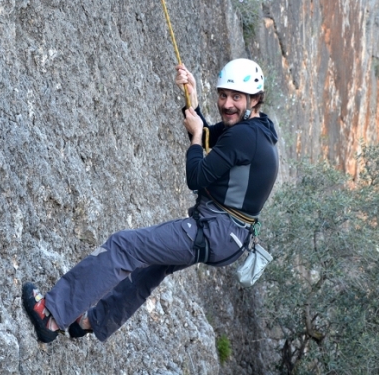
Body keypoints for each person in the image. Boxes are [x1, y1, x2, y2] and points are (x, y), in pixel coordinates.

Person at [22, 58, 279, 343]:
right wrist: (191, 103)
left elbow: (197, 174)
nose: (227, 104)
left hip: (215, 230)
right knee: (151, 266)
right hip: (227, 236)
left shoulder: (245, 136)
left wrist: (195, 134)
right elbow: (209, 140)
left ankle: (52, 315)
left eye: (236, 97)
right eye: (223, 95)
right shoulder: (255, 130)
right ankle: (92, 321)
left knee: (123, 246)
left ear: (254, 99)